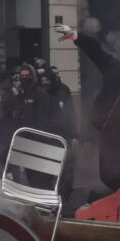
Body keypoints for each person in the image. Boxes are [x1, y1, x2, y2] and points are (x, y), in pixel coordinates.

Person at [56, 24, 120, 192]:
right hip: (106, 134)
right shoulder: (116, 69)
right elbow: (97, 52)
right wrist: (76, 36)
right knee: (106, 176)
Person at [40, 67, 79, 198]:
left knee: (66, 167)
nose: (45, 82)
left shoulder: (63, 91)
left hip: (63, 135)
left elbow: (70, 113)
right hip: (47, 137)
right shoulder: (41, 93)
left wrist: (74, 134)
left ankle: (65, 196)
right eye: (43, 80)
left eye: (47, 80)